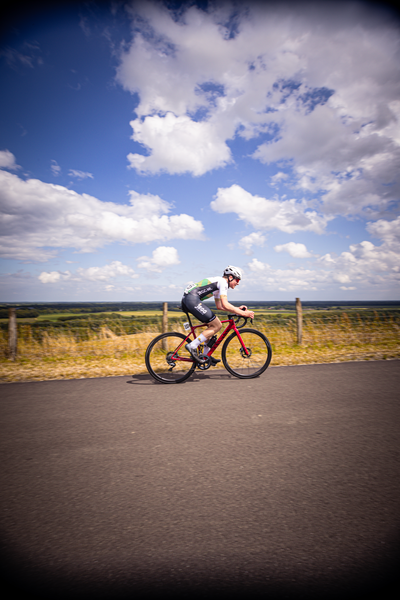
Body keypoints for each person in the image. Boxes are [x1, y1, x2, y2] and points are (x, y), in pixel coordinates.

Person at [181, 266, 255, 363]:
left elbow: (220, 306)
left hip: (189, 299)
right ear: (230, 277)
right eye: (237, 280)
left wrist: (237, 309)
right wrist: (244, 313)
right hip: (192, 300)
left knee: (211, 328)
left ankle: (205, 356)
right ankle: (192, 345)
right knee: (217, 325)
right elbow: (225, 304)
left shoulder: (218, 283)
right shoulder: (223, 282)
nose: (238, 283)